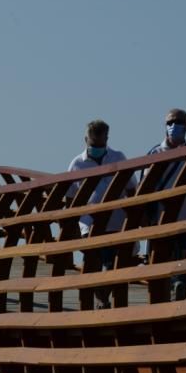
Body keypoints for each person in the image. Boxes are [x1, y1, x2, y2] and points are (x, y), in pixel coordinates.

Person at [65, 120, 138, 309]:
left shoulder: (118, 157)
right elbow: (71, 199)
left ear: (107, 139)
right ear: (85, 140)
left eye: (101, 143)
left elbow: (132, 188)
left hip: (117, 220)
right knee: (95, 261)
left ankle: (103, 297)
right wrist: (71, 226)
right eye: (93, 144)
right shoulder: (77, 164)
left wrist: (135, 217)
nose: (97, 147)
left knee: (114, 263)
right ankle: (101, 299)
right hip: (89, 221)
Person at [146, 108, 186, 301]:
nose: (173, 126)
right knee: (163, 256)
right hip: (162, 217)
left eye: (179, 121)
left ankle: (180, 285)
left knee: (185, 253)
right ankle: (170, 291)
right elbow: (145, 188)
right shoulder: (155, 153)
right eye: (170, 122)